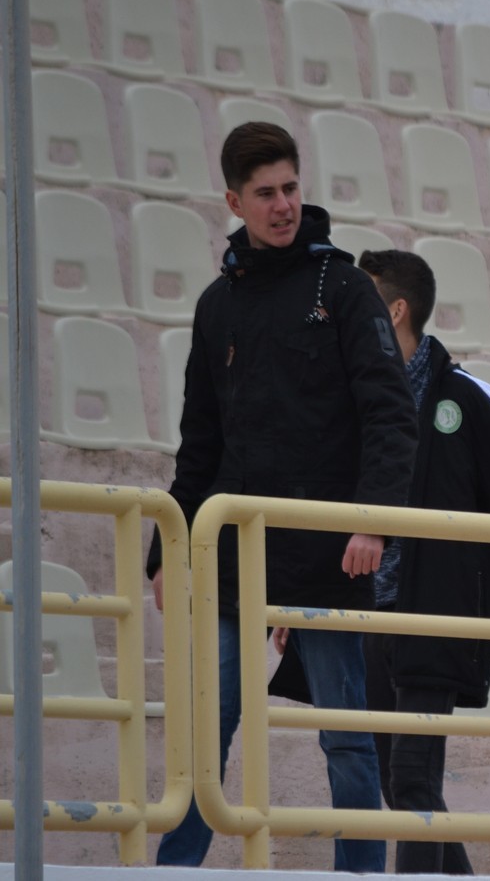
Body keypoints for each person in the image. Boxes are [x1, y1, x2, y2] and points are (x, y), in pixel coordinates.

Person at [145, 122, 417, 872]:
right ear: (234, 201)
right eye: (265, 193)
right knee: (208, 730)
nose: (283, 205)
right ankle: (173, 870)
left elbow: (392, 415)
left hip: (331, 556)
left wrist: (372, 523)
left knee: (347, 737)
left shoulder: (347, 288)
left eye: (291, 188)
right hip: (234, 554)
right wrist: (164, 551)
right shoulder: (216, 305)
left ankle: (360, 872)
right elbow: (200, 443)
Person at [356, 249, 490, 874]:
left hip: (434, 615)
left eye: (363, 300)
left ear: (396, 311)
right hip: (367, 615)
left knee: (412, 780)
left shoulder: (467, 399)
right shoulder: (356, 399)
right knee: (402, 786)